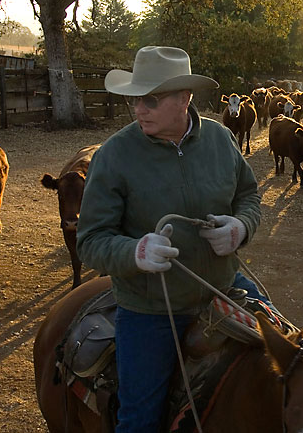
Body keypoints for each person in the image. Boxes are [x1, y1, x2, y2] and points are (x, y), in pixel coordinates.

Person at [76, 45, 263, 433]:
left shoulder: (220, 139)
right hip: (150, 309)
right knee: (139, 421)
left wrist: (241, 227)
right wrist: (136, 251)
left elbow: (248, 196)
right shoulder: (114, 156)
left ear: (184, 99)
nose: (137, 109)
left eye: (149, 99)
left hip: (225, 288)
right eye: (135, 99)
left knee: (291, 368)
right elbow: (91, 239)